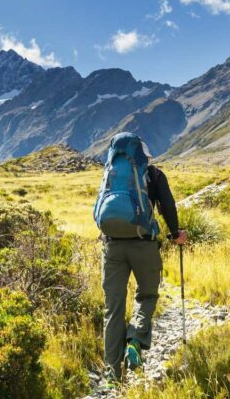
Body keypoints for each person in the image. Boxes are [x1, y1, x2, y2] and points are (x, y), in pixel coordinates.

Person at [98, 138, 187, 384]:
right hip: (144, 243)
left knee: (113, 309)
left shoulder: (111, 173)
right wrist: (175, 233)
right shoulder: (155, 174)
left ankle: (112, 375)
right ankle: (135, 340)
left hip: (112, 245)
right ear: (145, 156)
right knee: (147, 296)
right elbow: (167, 206)